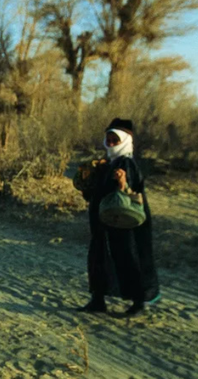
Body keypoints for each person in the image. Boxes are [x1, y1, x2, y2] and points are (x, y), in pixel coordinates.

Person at [78, 118, 160, 316]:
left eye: (116, 140)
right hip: (104, 220)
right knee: (99, 256)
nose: (112, 144)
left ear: (125, 141)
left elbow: (131, 191)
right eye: (109, 140)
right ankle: (98, 299)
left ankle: (139, 302)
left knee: (129, 257)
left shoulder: (127, 163)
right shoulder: (107, 163)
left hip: (125, 222)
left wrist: (123, 183)